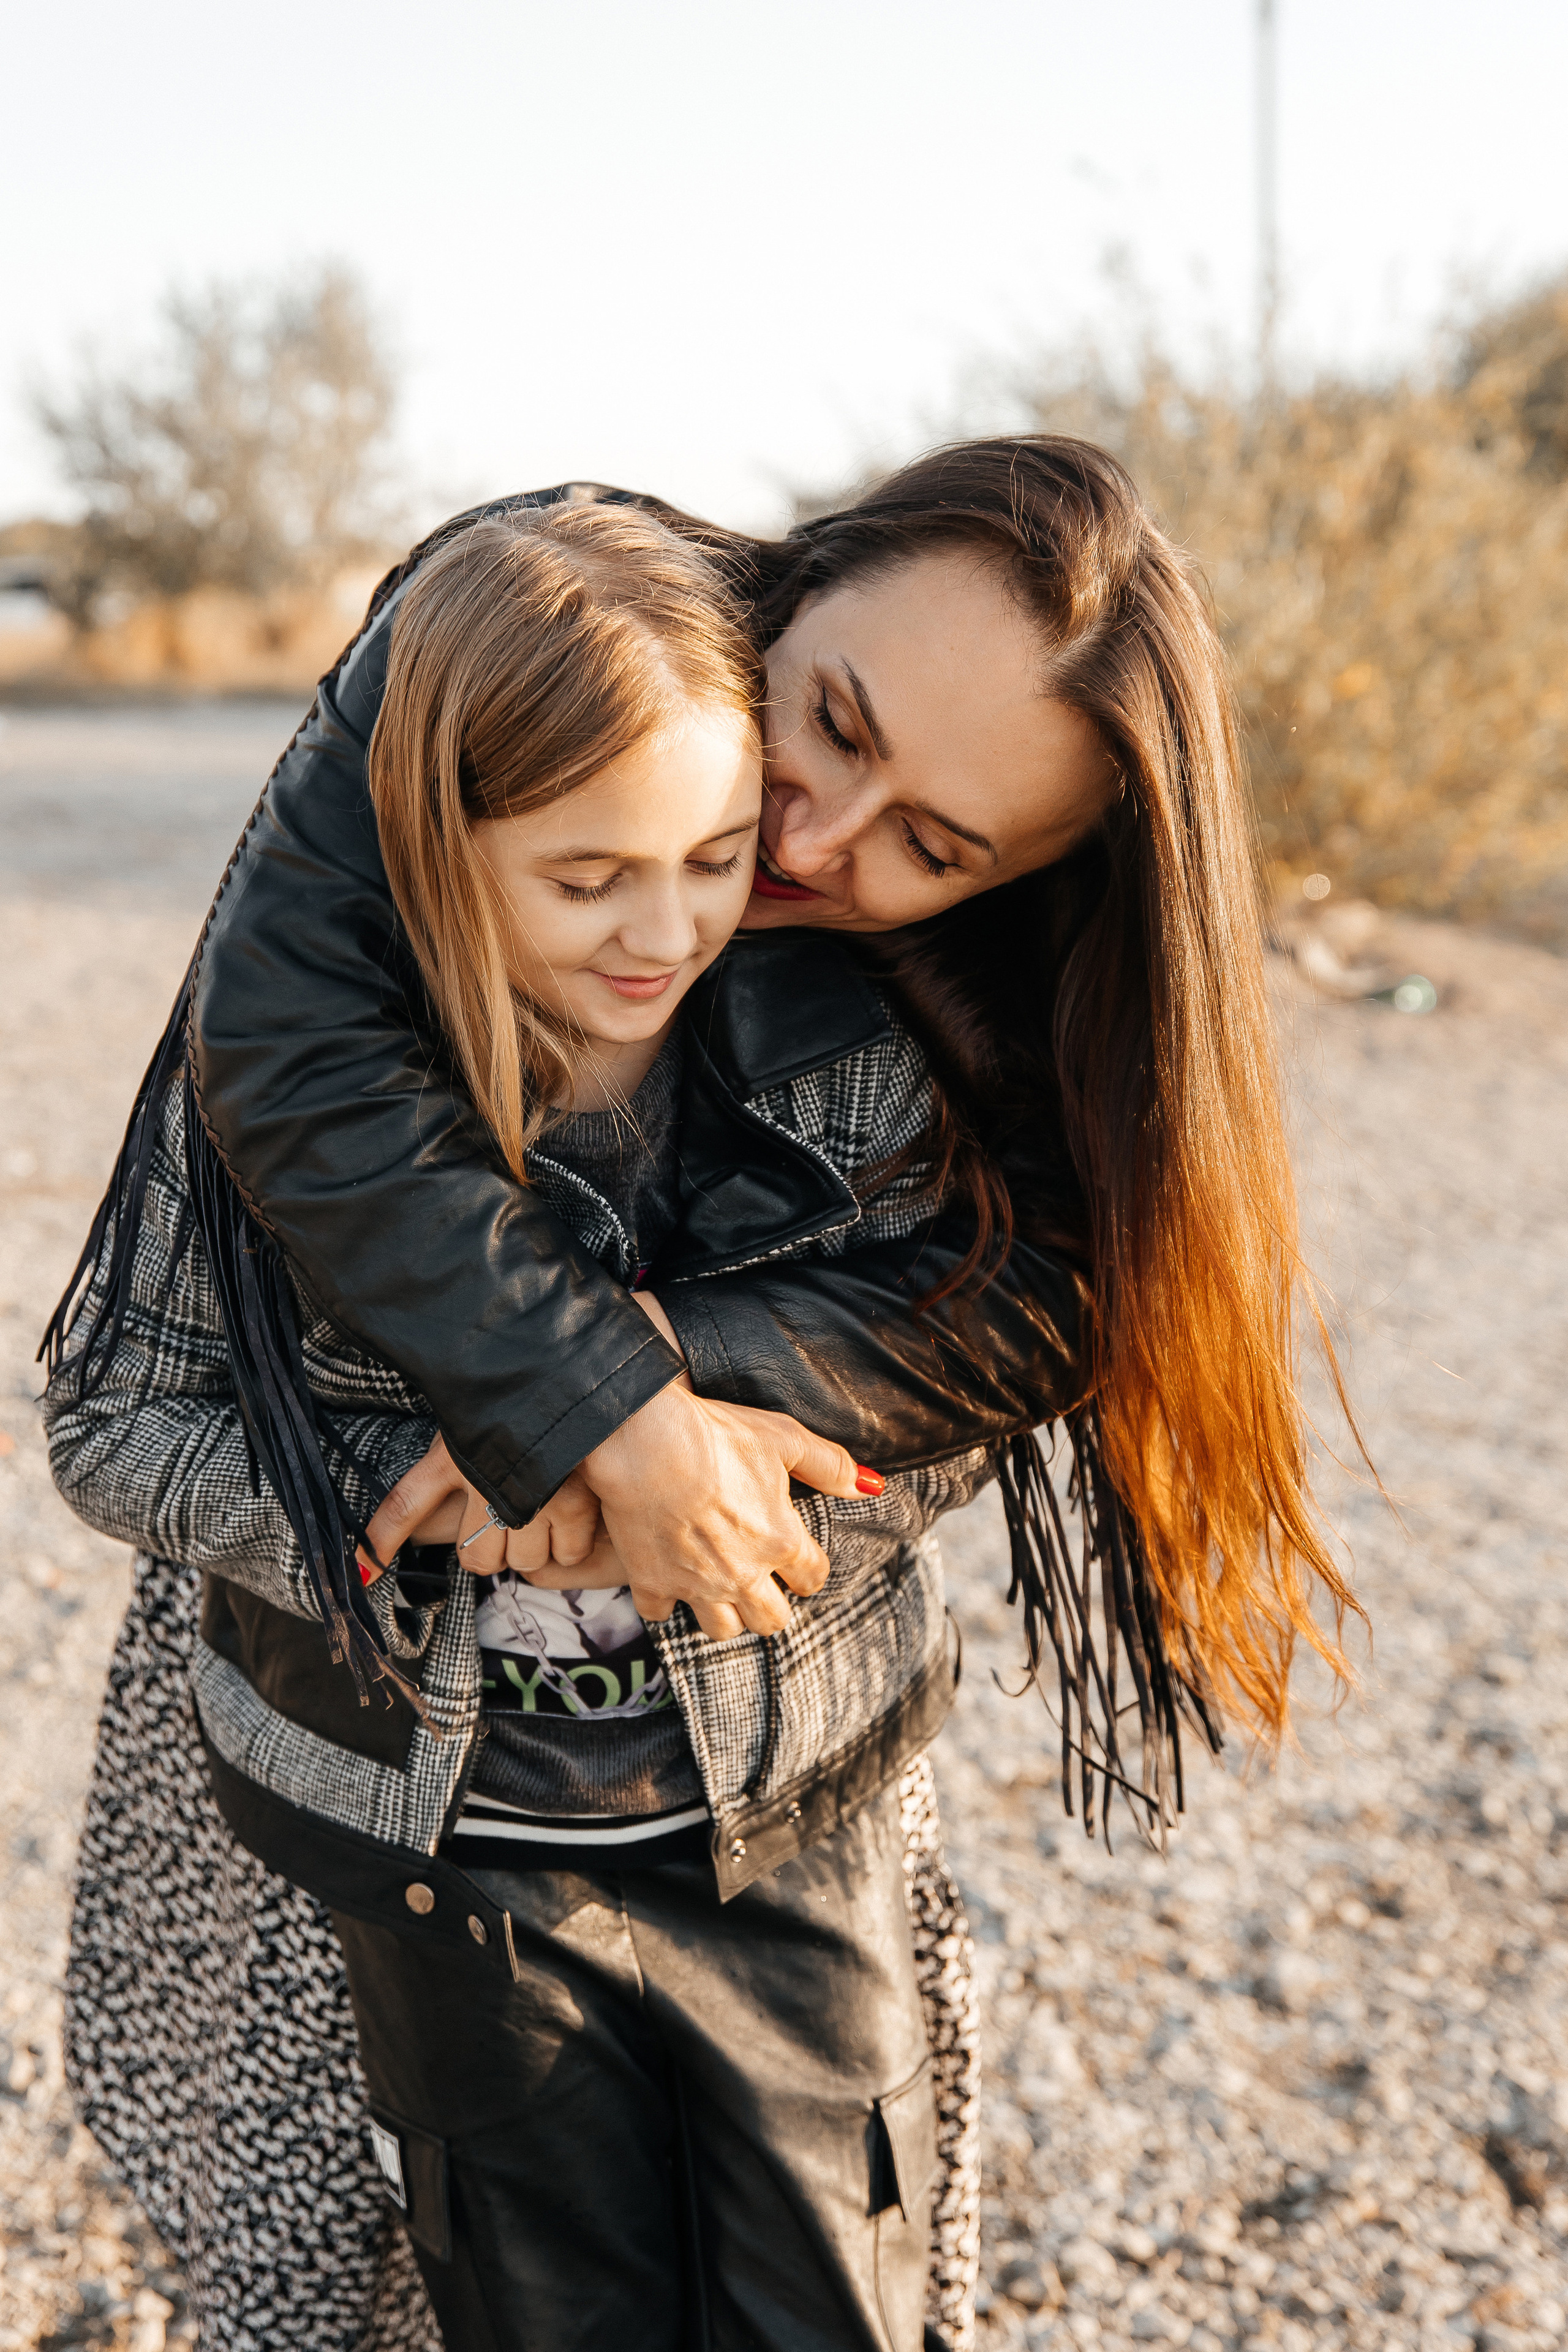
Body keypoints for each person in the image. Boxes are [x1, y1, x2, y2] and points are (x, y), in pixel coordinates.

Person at [46, 438, 1357, 2350]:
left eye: (936, 849)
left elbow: (1020, 1321)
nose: (816, 837)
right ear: (795, 580)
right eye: (834, 721)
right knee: (421, 2266)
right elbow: (217, 1195)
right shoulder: (492, 690)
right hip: (411, 1803)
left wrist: (665, 1413)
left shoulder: (900, 1049)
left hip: (776, 1782)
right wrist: (551, 1440)